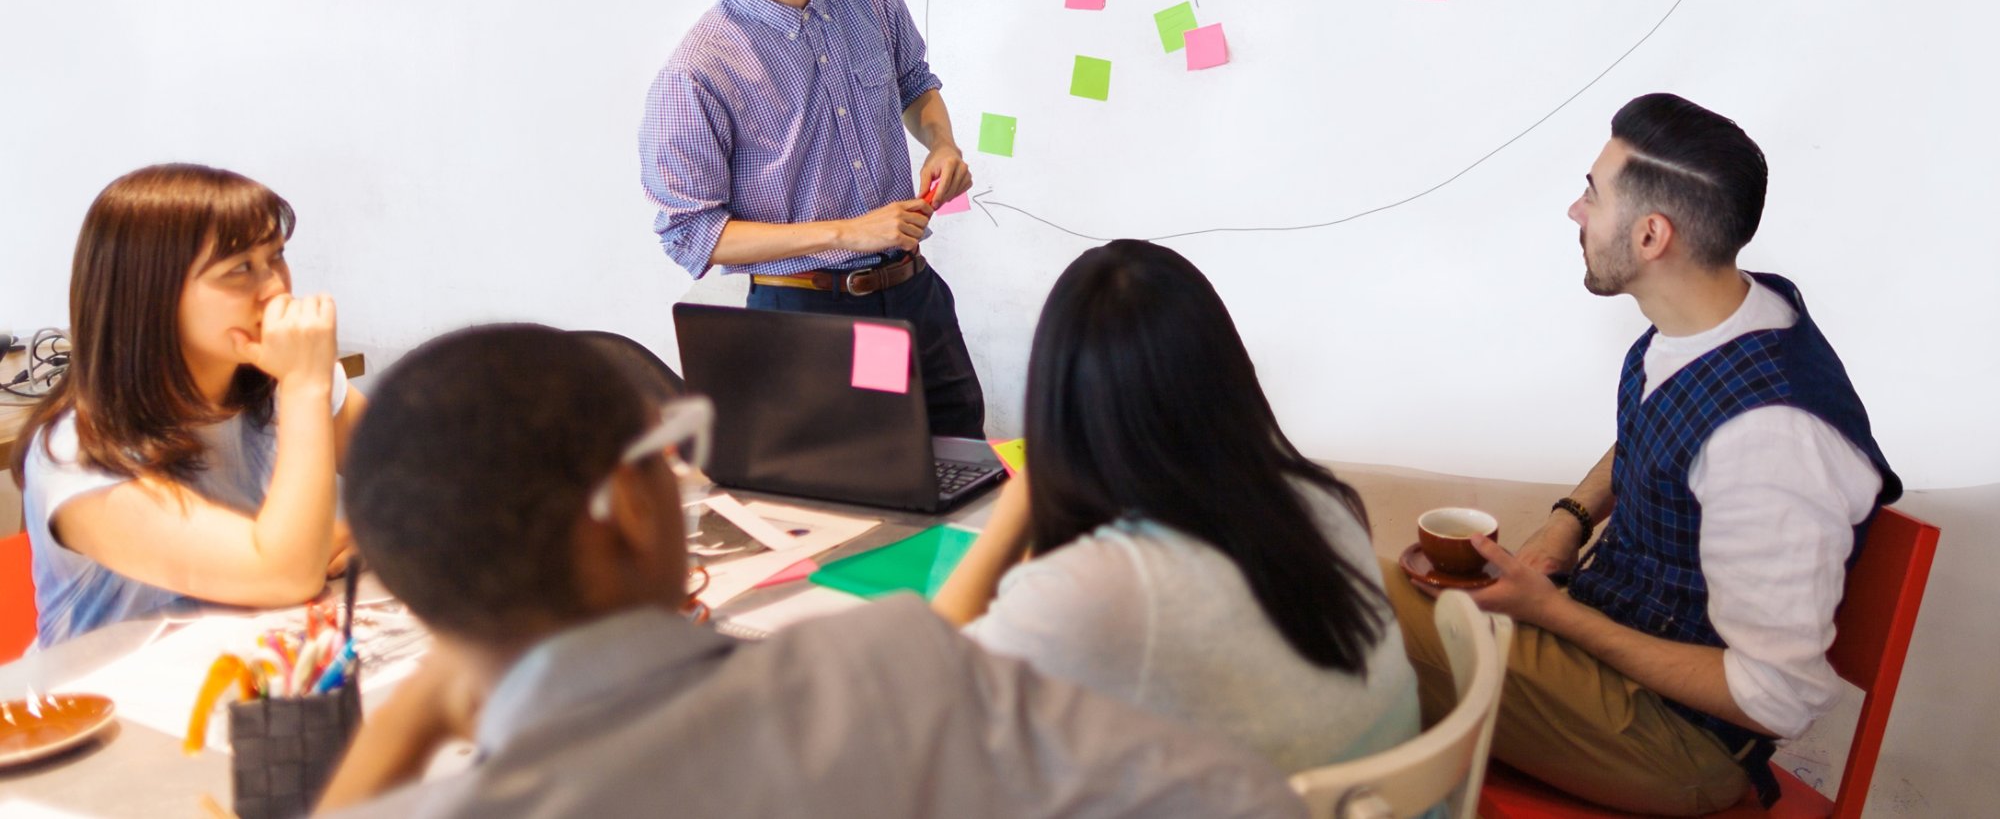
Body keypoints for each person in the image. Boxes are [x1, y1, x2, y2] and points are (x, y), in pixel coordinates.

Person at [316, 325, 1306, 818]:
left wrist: (412, 715)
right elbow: (1245, 800)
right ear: (621, 508)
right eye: (667, 453)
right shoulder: (893, 672)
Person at [1383, 94, 1901, 815]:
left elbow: (1776, 696)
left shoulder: (1770, 439)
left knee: (1349, 593)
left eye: (1593, 193)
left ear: (1652, 234)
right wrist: (1568, 520)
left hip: (1678, 747)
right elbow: (1661, 426)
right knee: (1359, 606)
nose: (1575, 211)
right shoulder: (1722, 317)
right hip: (1609, 658)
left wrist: (1554, 615)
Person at [930, 240, 1421, 775]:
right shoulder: (1319, 500)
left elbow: (931, 690)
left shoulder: (1104, 587)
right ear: (1227, 374)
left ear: (1061, 403)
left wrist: (1018, 506)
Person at [639, 0, 984, 438]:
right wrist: (847, 233)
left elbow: (916, 82)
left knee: (964, 466)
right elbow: (693, 233)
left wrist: (942, 142)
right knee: (863, 498)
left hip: (914, 297)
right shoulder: (698, 71)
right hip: (808, 317)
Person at [14, 163, 362, 648]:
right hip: (115, 706)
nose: (277, 289)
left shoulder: (274, 380)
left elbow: (430, 476)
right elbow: (283, 574)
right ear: (151, 295)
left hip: (255, 662)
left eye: (276, 256)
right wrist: (304, 386)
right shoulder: (79, 451)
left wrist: (371, 530)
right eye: (239, 269)